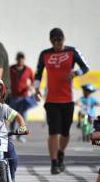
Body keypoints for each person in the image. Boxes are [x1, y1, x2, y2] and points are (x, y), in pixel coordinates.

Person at [34, 28, 89, 174]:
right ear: (51, 41)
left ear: (64, 39)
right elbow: (38, 73)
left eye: (60, 40)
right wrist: (36, 89)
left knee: (65, 132)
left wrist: (76, 73)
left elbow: (85, 67)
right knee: (53, 132)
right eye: (54, 40)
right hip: (51, 99)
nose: (58, 43)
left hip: (68, 99)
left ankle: (60, 153)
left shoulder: (72, 51)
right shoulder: (45, 54)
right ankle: (53, 163)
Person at [10, 52, 36, 142]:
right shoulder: (11, 69)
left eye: (22, 59)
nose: (21, 61)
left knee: (23, 117)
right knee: (13, 116)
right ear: (17, 59)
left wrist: (31, 87)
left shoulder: (28, 70)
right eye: (19, 59)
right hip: (13, 96)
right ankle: (12, 133)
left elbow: (33, 81)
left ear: (24, 60)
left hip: (24, 96)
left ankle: (20, 135)